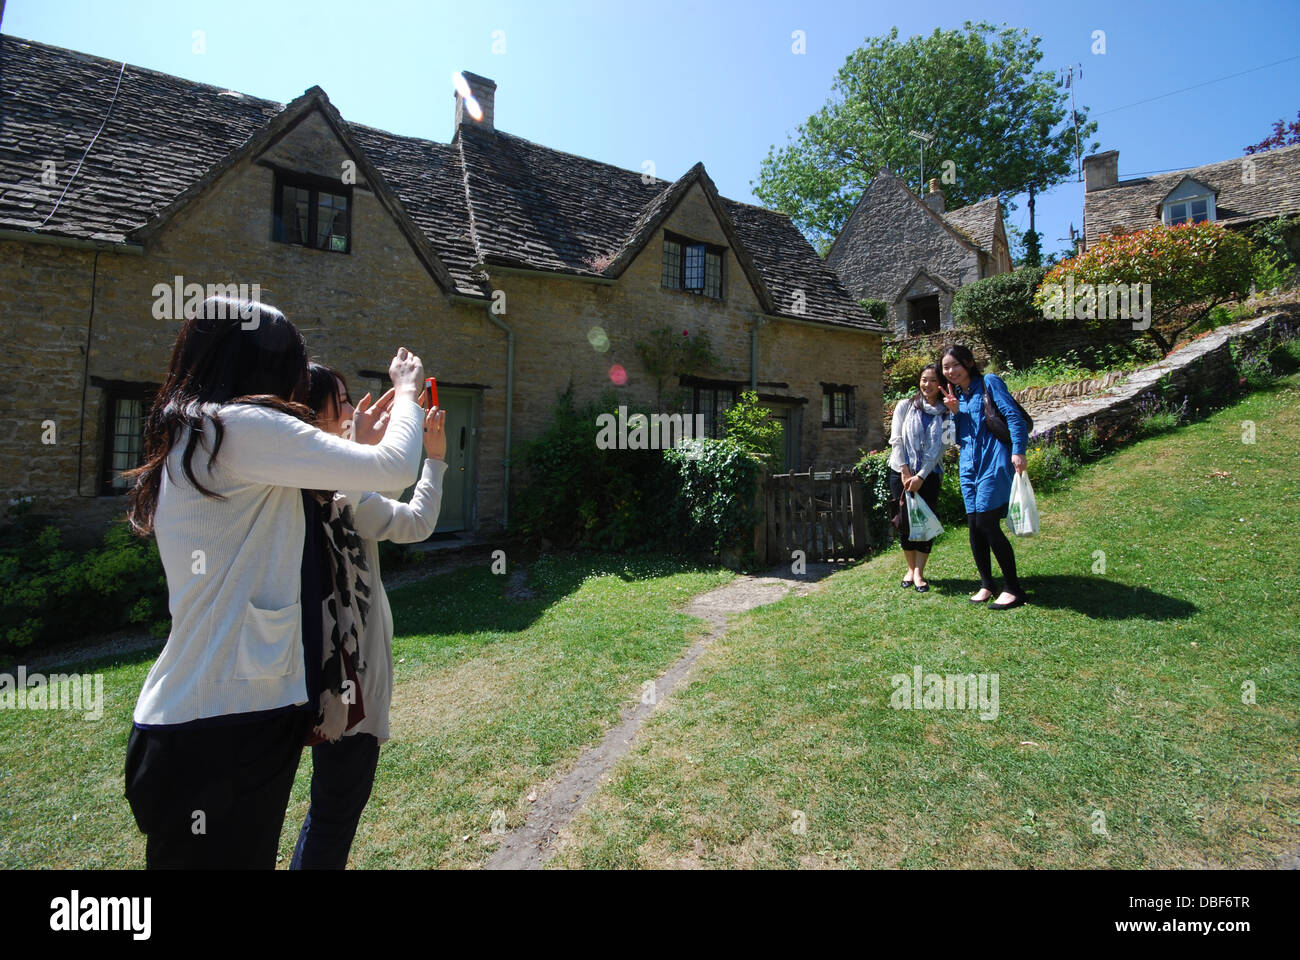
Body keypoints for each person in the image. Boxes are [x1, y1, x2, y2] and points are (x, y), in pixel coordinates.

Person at [122, 295, 426, 869]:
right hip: (223, 730)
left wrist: (350, 443)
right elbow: (395, 468)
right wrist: (408, 390)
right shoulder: (237, 428)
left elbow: (328, 495)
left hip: (210, 722)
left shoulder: (197, 437)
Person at [290, 363, 447, 870]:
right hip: (346, 684)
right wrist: (435, 461)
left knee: (327, 811)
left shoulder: (308, 488)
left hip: (311, 678)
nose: (354, 408)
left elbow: (377, 508)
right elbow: (414, 519)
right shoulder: (338, 493)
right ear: (314, 415)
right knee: (334, 815)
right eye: (341, 400)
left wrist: (364, 451)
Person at [939, 345, 1029, 611]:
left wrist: (1019, 451)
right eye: (946, 367)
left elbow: (1013, 415)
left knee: (988, 523)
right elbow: (956, 438)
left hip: (994, 460)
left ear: (968, 362)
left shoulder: (989, 382)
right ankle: (987, 583)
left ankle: (1013, 588)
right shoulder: (956, 397)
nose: (950, 371)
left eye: (955, 364)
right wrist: (954, 413)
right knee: (974, 526)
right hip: (969, 466)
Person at [887, 364, 950, 592]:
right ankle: (910, 568)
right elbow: (896, 440)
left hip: (929, 475)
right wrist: (905, 472)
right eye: (924, 379)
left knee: (925, 522)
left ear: (940, 384)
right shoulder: (905, 406)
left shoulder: (947, 412)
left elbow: (942, 447)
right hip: (901, 472)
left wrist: (921, 476)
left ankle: (920, 573)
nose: (927, 384)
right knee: (905, 521)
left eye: (933, 380)